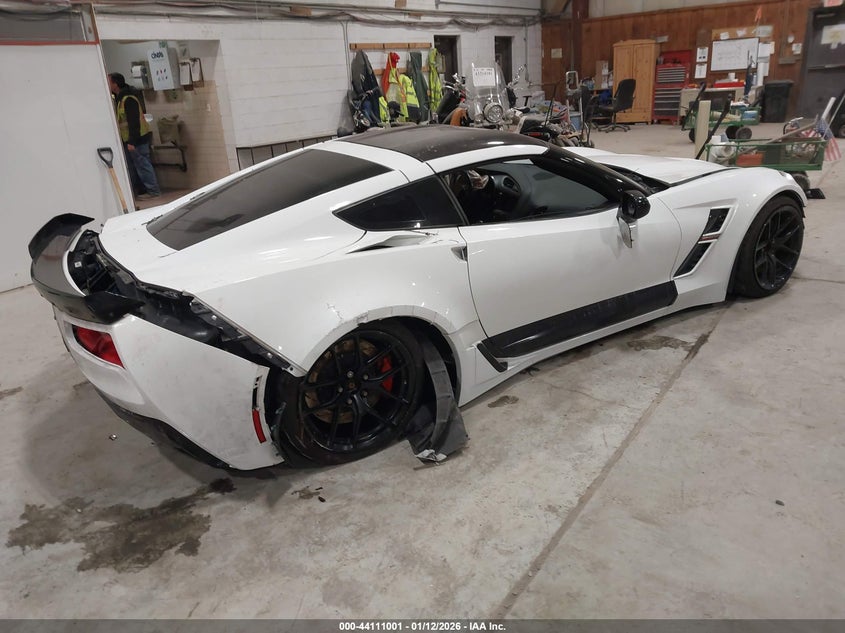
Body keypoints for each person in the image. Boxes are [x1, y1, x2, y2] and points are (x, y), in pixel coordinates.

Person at [107, 72, 160, 200]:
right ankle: (143, 190)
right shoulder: (119, 98)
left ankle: (153, 191)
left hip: (138, 139)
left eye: (108, 81)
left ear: (115, 84)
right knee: (137, 166)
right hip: (130, 139)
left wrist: (132, 142)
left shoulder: (128, 99)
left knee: (143, 165)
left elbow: (134, 122)